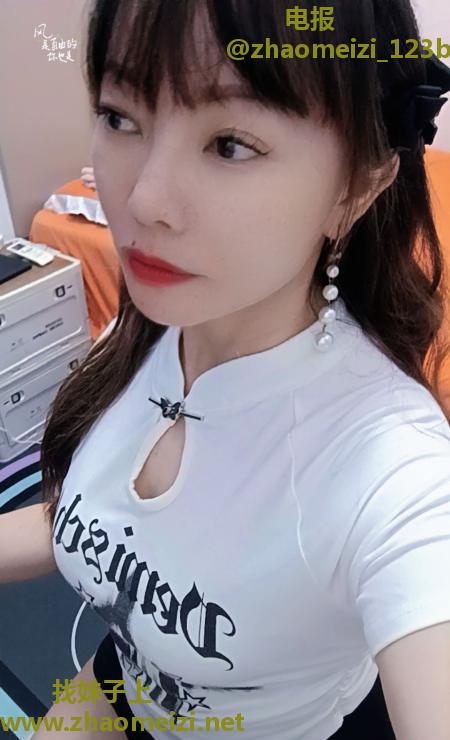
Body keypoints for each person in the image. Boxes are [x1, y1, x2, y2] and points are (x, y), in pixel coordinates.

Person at [1, 0, 450, 738]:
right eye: (120, 116)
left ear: (356, 189)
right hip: (125, 678)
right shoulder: (157, 318)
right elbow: (92, 520)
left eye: (231, 144)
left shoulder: (391, 466)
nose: (142, 200)